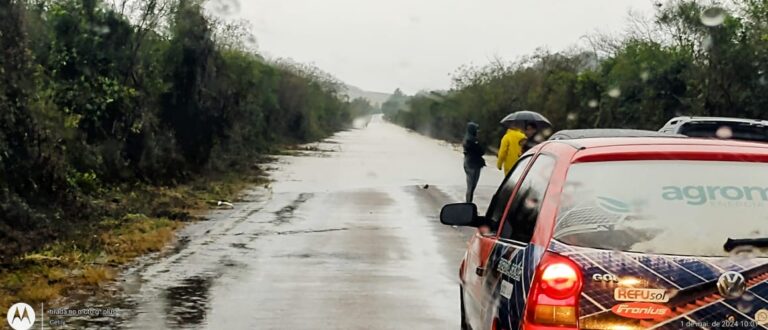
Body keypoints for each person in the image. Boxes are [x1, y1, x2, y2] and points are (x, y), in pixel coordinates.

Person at [463, 122, 486, 203]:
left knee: (471, 186)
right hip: (472, 164)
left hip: (471, 164)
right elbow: (481, 151)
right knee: (471, 186)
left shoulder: (469, 139)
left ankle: (468, 202)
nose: (477, 131)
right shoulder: (470, 140)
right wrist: (479, 142)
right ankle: (468, 203)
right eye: (476, 129)